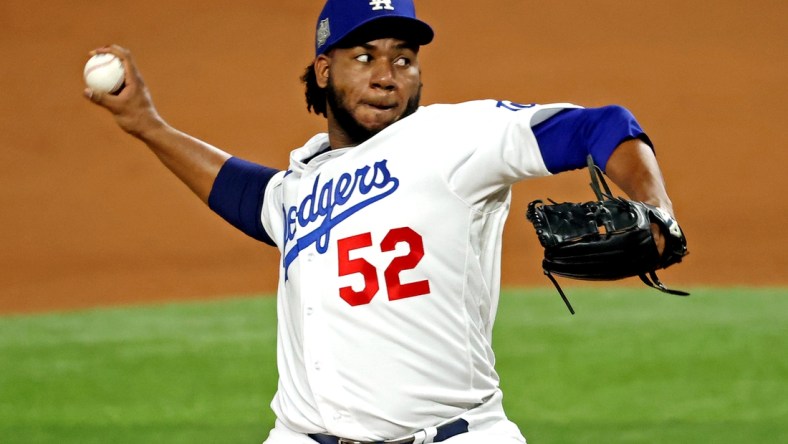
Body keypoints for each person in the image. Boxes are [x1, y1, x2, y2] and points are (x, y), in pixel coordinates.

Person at [84, 1, 678, 442]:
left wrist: (658, 211)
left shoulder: (452, 138)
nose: (386, 75)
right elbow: (248, 195)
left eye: (403, 58)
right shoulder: (302, 183)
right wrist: (146, 124)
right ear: (323, 69)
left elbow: (601, 126)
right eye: (363, 57)